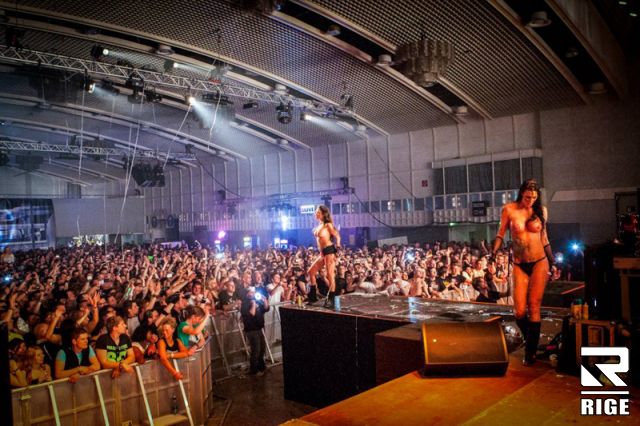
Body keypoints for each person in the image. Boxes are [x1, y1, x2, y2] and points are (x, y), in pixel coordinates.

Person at [492, 179, 554, 365]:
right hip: (519, 263)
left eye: (534, 197)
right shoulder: (509, 209)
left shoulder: (541, 210)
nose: (531, 200)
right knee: (519, 311)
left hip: (540, 261)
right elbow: (501, 233)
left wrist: (553, 261)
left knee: (534, 306)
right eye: (528, 197)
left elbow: (544, 238)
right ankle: (531, 339)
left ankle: (530, 352)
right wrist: (494, 252)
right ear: (521, 194)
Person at [308, 205, 341, 308]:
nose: (316, 213)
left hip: (329, 251)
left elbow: (337, 236)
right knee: (311, 272)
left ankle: (331, 299)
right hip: (322, 252)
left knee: (330, 275)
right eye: (316, 212)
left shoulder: (328, 225)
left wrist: (338, 247)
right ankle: (313, 296)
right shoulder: (319, 225)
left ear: (323, 214)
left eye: (318, 212)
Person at [240, 286, 270, 376]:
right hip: (251, 330)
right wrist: (253, 304)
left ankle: (261, 367)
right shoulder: (245, 304)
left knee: (262, 349)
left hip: (259, 329)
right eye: (251, 292)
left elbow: (266, 309)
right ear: (247, 293)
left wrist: (265, 301)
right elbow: (251, 313)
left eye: (254, 292)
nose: (253, 294)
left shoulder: (258, 301)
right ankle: (254, 370)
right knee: (256, 350)